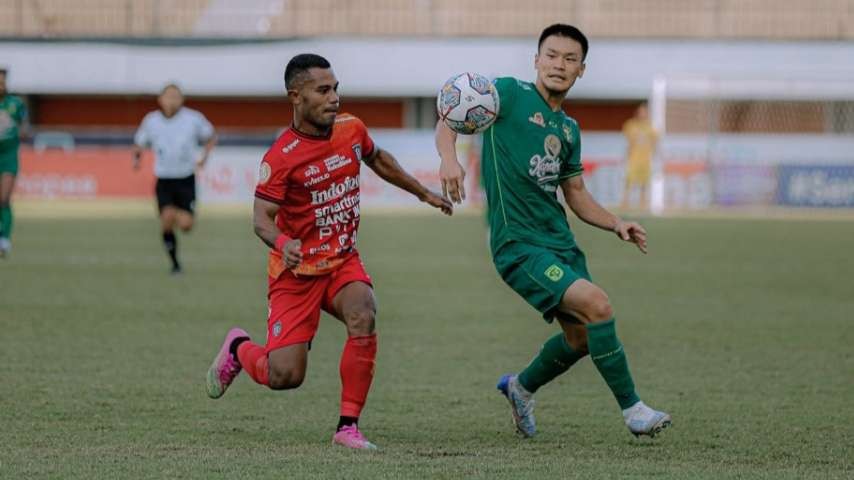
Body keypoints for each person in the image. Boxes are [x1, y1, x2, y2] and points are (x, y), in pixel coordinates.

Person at [204, 54, 452, 450]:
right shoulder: (280, 157)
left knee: (363, 312)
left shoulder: (351, 129)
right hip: (296, 273)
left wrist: (422, 192)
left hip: (340, 260)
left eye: (336, 88)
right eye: (323, 90)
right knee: (285, 375)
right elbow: (261, 219)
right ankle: (238, 346)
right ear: (296, 96)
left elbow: (378, 159)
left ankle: (347, 428)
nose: (334, 97)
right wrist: (285, 245)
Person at [435, 24, 671, 438]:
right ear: (537, 60)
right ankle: (633, 410)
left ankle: (521, 388)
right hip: (517, 244)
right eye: (552, 55)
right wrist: (449, 158)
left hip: (559, 243)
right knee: (598, 304)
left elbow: (576, 193)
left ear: (581, 70)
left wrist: (616, 223)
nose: (559, 65)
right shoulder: (506, 93)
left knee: (581, 338)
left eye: (569, 59)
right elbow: (449, 115)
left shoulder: (569, 130)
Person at [132, 83, 217, 274]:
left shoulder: (193, 119)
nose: (172, 100)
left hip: (185, 178)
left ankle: (179, 214)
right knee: (166, 220)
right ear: (160, 99)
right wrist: (136, 158)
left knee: (186, 225)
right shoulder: (151, 120)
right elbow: (139, 143)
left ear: (182, 99)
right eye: (168, 96)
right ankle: (175, 264)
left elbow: (211, 136)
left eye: (176, 96)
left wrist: (204, 156)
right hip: (164, 179)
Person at [0, 67, 30, 258]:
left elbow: (25, 127)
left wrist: (21, 131)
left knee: (3, 199)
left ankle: (4, 238)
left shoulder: (15, 104)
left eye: (2, 82)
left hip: (8, 156)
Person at [621, 102, 658, 210]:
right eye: (641, 111)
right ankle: (625, 202)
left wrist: (655, 155)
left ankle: (642, 203)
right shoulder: (630, 125)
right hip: (633, 159)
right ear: (637, 112)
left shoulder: (650, 127)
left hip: (645, 160)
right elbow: (628, 143)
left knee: (644, 183)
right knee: (629, 181)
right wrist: (626, 156)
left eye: (645, 112)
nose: (643, 114)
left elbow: (655, 143)